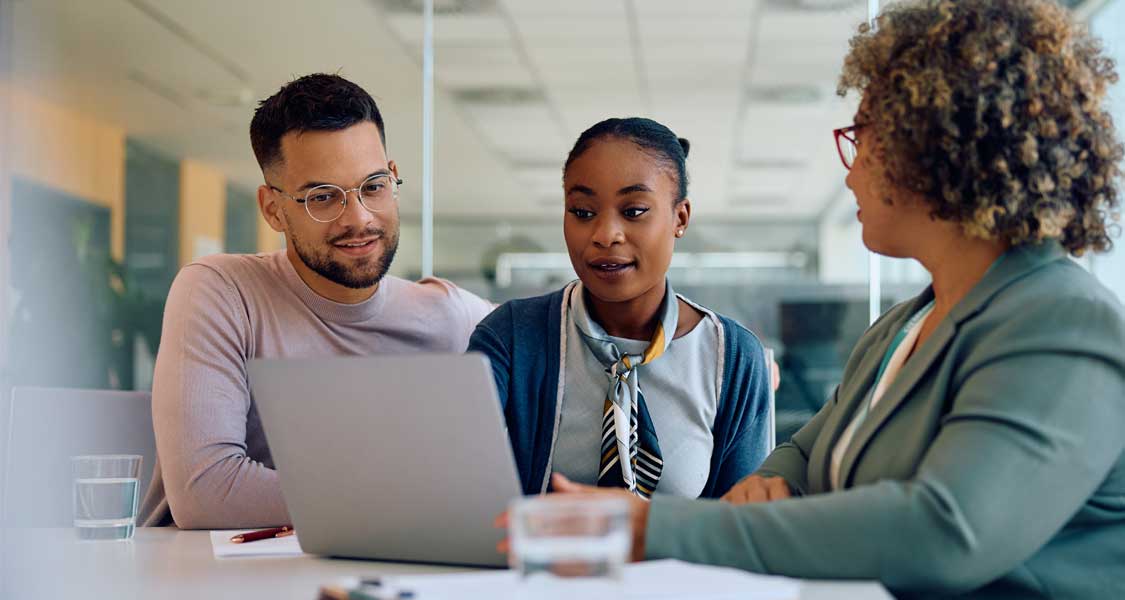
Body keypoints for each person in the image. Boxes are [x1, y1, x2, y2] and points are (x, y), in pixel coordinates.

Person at [549, 0, 1125, 597]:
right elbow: (804, 452)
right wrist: (770, 482)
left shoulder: (1062, 323)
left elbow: (945, 532)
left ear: (936, 146)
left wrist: (660, 527)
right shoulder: (902, 328)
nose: (849, 172)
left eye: (863, 137)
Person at [141, 74, 493, 529]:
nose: (359, 218)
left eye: (373, 186)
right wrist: (418, 495)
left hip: (372, 571)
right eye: (323, 197)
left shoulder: (448, 315)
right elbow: (206, 492)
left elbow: (568, 340)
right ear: (273, 210)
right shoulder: (221, 292)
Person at [469, 118, 773, 500]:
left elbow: (741, 526)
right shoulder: (511, 337)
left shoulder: (733, 358)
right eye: (582, 212)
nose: (604, 234)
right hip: (545, 557)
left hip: (677, 560)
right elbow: (463, 489)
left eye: (633, 211)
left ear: (680, 218)